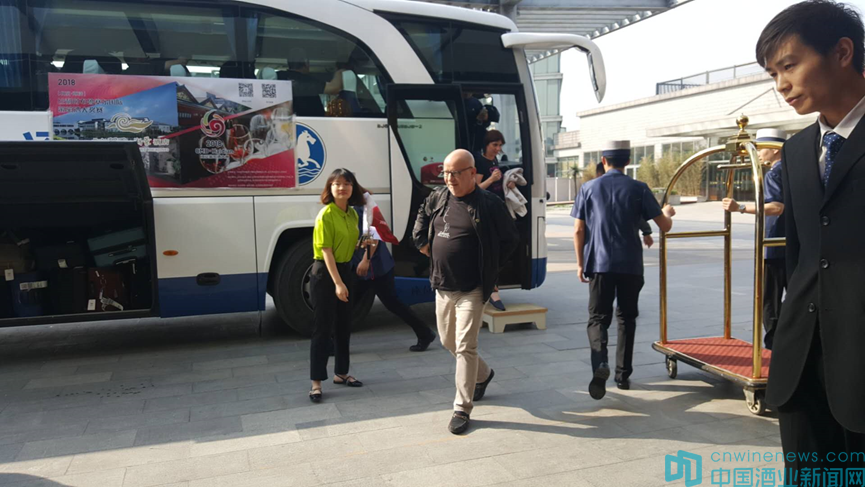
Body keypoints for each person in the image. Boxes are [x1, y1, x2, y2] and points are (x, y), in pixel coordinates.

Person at [756, 0, 865, 477]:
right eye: (772, 74)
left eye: (789, 65)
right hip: (802, 367)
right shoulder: (798, 150)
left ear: (842, 52)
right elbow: (800, 255)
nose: (781, 85)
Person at [412, 149, 518, 434]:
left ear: (472, 173)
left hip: (473, 287)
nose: (449, 178)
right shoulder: (438, 197)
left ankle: (462, 408)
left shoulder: (489, 204)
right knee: (448, 341)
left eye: (456, 173)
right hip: (442, 284)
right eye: (446, 173)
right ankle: (483, 374)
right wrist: (422, 243)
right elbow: (422, 214)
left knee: (465, 346)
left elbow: (510, 239)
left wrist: (491, 268)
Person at [573, 141, 675, 399]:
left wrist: (580, 263)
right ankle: (623, 375)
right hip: (630, 265)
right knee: (626, 318)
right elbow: (665, 226)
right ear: (628, 162)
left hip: (599, 264)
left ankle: (601, 363)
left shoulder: (588, 188)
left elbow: (578, 230)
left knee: (598, 318)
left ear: (603, 160)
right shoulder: (639, 188)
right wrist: (666, 212)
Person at [721, 128, 786, 351]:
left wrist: (739, 207)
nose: (758, 153)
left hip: (774, 245)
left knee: (770, 302)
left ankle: (773, 347)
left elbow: (776, 207)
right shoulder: (796, 171)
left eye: (761, 148)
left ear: (775, 150)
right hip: (794, 244)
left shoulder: (774, 174)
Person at [351, 194, 437, 352]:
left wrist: (366, 260)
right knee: (352, 304)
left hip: (375, 267)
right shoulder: (350, 206)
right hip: (368, 266)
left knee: (389, 303)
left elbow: (373, 235)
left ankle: (425, 333)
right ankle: (425, 333)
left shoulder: (363, 205)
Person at [309, 168, 365, 403]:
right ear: (330, 188)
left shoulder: (352, 214)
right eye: (337, 184)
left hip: (344, 270)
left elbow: (348, 245)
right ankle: (316, 383)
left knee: (344, 325)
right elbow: (327, 251)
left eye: (347, 183)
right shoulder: (326, 214)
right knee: (322, 329)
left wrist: (364, 245)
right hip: (325, 274)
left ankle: (341, 373)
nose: (342, 188)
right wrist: (338, 284)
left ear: (353, 188)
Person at [474, 129, 517, 311]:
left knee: (509, 241)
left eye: (500, 145)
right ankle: (492, 287)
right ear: (487, 144)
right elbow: (476, 188)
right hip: (486, 211)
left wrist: (507, 183)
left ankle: (490, 282)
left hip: (497, 209)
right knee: (493, 248)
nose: (498, 149)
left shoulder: (494, 161)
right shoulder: (480, 161)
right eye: (495, 145)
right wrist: (492, 179)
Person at [595, 162, 655, 249]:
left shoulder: (592, 191)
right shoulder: (628, 189)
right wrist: (646, 232)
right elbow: (636, 213)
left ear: (599, 174)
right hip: (625, 246)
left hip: (600, 247)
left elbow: (579, 229)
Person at [278, 48, 344, 117]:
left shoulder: (278, 76)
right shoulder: (307, 80)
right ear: (306, 62)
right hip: (311, 121)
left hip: (282, 119)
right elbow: (334, 88)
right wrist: (341, 70)